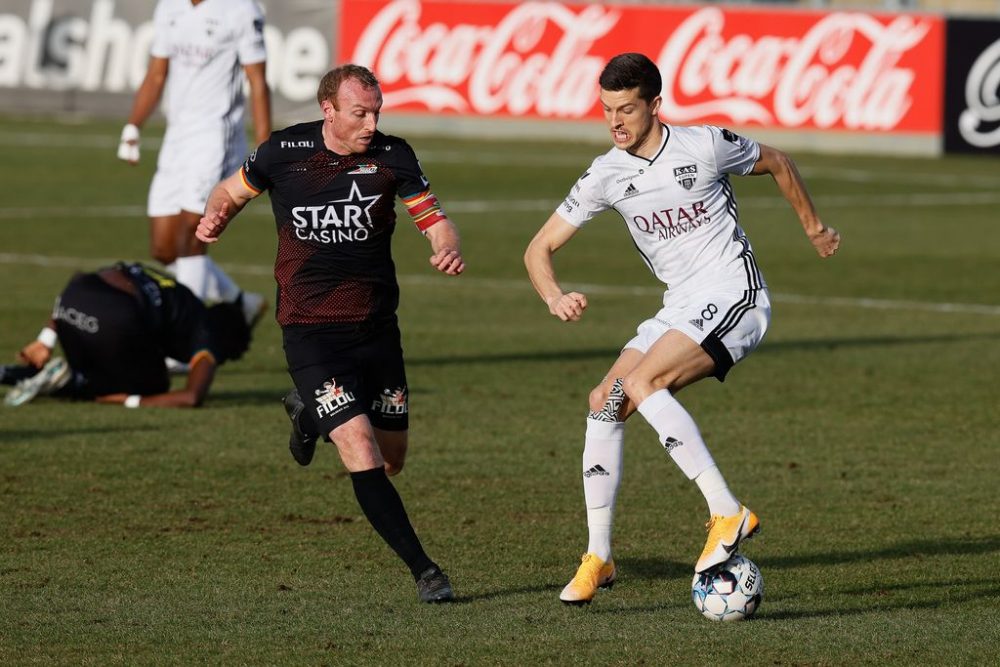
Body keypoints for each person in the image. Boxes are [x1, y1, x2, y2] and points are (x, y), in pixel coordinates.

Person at [523, 53, 841, 605]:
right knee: (605, 400)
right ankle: (599, 556)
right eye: (606, 110)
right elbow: (539, 247)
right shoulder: (606, 174)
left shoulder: (705, 144)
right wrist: (553, 295)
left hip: (735, 295)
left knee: (645, 385)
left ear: (655, 105)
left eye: (626, 109)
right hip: (680, 306)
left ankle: (727, 511)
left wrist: (813, 227)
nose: (615, 122)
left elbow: (779, 161)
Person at [194, 64, 465, 603]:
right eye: (360, 113)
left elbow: (434, 219)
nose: (371, 124)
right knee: (359, 448)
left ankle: (306, 409)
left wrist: (444, 244)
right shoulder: (283, 152)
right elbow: (227, 191)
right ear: (329, 110)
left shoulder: (393, 157)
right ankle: (426, 571)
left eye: (376, 112)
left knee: (392, 460)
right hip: (310, 331)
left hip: (377, 330)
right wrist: (215, 216)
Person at [117, 0, 271, 327]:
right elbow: (157, 74)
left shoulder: (241, 10)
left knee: (192, 233)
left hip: (216, 136)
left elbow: (257, 80)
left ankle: (186, 338)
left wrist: (265, 146)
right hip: (177, 137)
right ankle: (239, 302)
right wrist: (133, 126)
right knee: (163, 248)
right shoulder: (169, 7)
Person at [3, 262, 250, 408]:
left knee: (102, 366)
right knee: (156, 383)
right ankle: (72, 382)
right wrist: (130, 400)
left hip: (71, 300)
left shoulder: (184, 298)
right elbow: (192, 396)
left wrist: (46, 338)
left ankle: (9, 373)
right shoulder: (207, 334)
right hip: (114, 319)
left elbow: (83, 278)